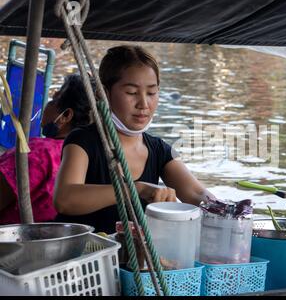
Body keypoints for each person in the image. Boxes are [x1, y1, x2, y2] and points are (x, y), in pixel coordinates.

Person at [53, 45, 214, 234]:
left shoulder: (160, 150)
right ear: (103, 93)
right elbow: (65, 200)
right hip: (85, 255)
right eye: (131, 92)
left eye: (152, 93)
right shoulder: (81, 141)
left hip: (133, 259)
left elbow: (196, 193)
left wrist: (222, 208)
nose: (144, 104)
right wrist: (136, 189)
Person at [0, 74, 92, 224]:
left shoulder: (39, 153)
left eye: (54, 100)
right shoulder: (89, 155)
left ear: (66, 115)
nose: (47, 105)